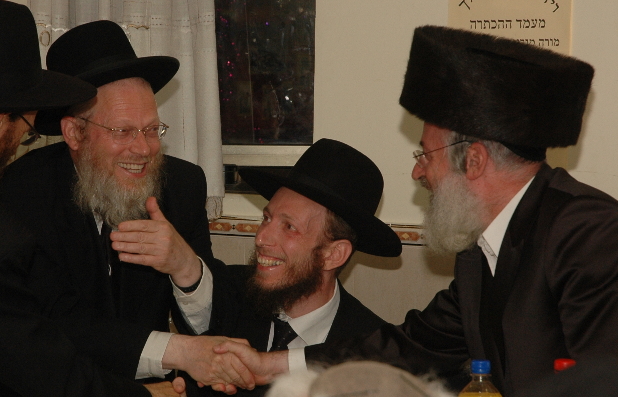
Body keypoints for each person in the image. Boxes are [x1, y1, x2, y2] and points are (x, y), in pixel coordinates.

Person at [211, 25, 618, 397]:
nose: (417, 171)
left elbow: (599, 378)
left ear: (473, 161)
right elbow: (411, 347)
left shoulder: (590, 233)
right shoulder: (478, 253)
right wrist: (270, 366)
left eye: (425, 154)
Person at [0, 19, 253, 391]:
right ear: (74, 132)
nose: (143, 148)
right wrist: (177, 353)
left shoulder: (180, 185)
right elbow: (56, 325)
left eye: (152, 129)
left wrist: (187, 268)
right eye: (122, 131)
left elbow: (220, 326)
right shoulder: (25, 189)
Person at [183, 138, 402, 396]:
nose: (261, 238)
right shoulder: (231, 296)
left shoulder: (370, 352)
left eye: (289, 227)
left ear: (333, 255)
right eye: (266, 218)